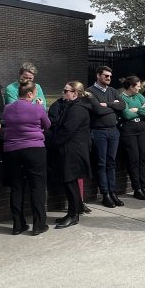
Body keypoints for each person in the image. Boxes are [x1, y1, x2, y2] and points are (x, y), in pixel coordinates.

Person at [1, 83, 51, 235]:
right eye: (35, 93)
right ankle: (39, 224)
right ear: (30, 94)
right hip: (34, 149)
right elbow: (47, 124)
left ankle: (18, 224)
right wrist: (40, 107)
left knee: (16, 187)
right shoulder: (36, 108)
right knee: (37, 186)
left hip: (11, 150)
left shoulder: (7, 108)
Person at [48, 82, 93, 228]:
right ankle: (73, 212)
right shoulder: (73, 106)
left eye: (66, 90)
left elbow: (67, 130)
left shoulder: (77, 109)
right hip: (71, 149)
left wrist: (53, 144)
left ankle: (74, 215)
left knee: (70, 182)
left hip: (73, 151)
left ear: (75, 93)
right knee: (69, 183)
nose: (63, 92)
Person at [87, 66, 125, 206]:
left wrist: (107, 104)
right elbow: (97, 109)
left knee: (111, 162)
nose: (109, 78)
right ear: (98, 75)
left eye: (110, 76)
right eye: (106, 76)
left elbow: (122, 105)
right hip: (99, 132)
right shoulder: (90, 92)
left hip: (113, 131)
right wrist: (112, 107)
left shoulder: (113, 91)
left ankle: (113, 192)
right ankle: (105, 194)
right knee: (101, 163)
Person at [118, 75, 145, 201]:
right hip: (129, 132)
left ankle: (144, 187)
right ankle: (137, 189)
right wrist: (139, 110)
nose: (140, 88)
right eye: (138, 86)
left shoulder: (139, 96)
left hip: (142, 131)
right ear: (131, 87)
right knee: (134, 160)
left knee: (143, 160)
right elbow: (126, 114)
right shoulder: (122, 97)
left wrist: (136, 109)